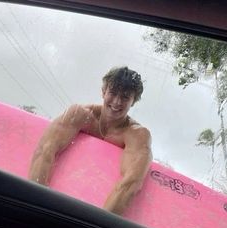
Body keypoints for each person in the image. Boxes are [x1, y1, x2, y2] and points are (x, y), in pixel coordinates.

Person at [28, 66, 152, 215]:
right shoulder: (80, 114)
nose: (117, 102)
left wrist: (99, 225)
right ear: (103, 91)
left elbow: (131, 183)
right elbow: (45, 150)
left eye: (125, 97)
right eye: (112, 93)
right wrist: (36, 203)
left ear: (133, 101)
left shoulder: (137, 135)